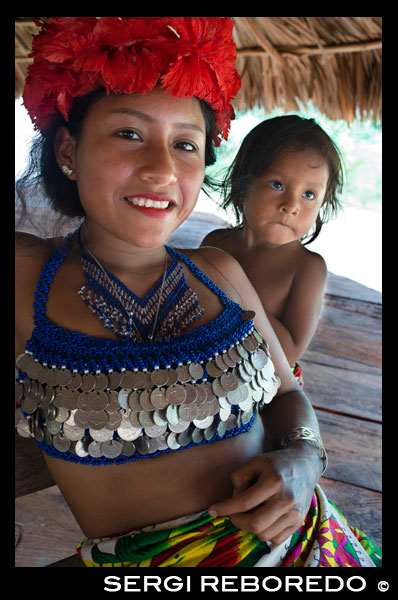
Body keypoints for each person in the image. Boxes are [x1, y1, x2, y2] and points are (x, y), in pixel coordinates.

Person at [15, 17, 381, 568]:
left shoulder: (219, 269)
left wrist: (304, 458)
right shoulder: (25, 274)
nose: (162, 169)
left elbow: (286, 397)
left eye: (185, 144)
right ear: (68, 149)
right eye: (129, 134)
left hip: (319, 549)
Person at [201, 116, 344, 385]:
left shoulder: (307, 268)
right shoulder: (216, 244)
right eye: (277, 185)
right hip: (206, 371)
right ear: (243, 184)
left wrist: (237, 291)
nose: (291, 205)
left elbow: (289, 351)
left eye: (309, 194)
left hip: (268, 384)